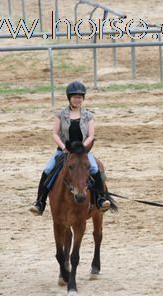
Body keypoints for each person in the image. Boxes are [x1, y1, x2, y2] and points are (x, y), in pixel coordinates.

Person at [30, 80, 110, 215]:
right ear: (69, 98)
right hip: (64, 150)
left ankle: (100, 199)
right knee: (48, 169)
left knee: (95, 169)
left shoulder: (88, 116)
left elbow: (91, 135)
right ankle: (40, 202)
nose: (77, 100)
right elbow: (55, 133)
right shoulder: (60, 115)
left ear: (83, 99)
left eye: (80, 97)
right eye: (74, 97)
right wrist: (63, 147)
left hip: (83, 151)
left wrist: (82, 148)